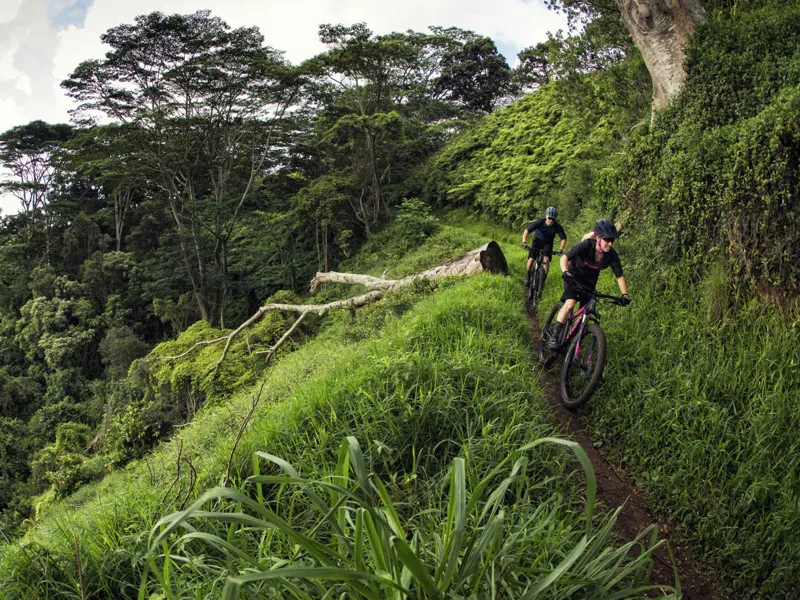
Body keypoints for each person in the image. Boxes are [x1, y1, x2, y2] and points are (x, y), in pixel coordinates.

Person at [549, 219, 630, 349]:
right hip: (573, 277)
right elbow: (564, 257)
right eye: (607, 240)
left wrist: (624, 294)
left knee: (585, 315)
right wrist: (565, 272)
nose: (610, 244)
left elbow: (619, 275)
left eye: (612, 240)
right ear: (598, 238)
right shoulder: (586, 245)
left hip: (589, 284)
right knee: (570, 303)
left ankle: (570, 342)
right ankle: (554, 336)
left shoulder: (611, 255)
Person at [521, 206, 567, 286]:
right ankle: (528, 276)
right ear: (546, 216)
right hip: (537, 241)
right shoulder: (540, 222)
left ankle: (543, 280)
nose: (551, 220)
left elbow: (563, 238)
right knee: (531, 259)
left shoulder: (557, 226)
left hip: (548, 244)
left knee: (546, 259)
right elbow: (527, 230)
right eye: (549, 218)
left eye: (553, 219)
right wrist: (524, 241)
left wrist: (561, 248)